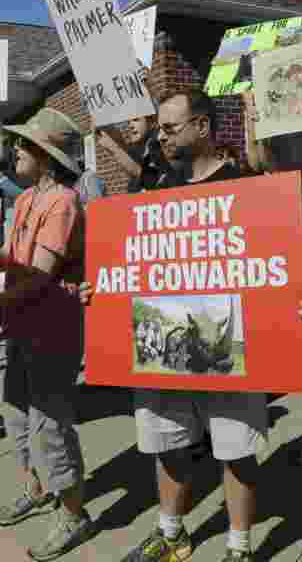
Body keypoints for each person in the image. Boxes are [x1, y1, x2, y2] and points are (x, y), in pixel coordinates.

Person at [80, 89, 262, 562]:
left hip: (227, 339)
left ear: (202, 127)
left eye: (170, 127)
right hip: (164, 338)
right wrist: (101, 291)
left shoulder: (242, 184)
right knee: (169, 442)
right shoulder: (157, 190)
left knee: (235, 448)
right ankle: (172, 532)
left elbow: (267, 264)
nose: (161, 136)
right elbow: (132, 263)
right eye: (159, 128)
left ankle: (239, 546)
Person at [0, 107, 92, 561]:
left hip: (52, 322)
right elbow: (9, 259)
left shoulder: (62, 202)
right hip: (20, 321)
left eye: (24, 144)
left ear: (46, 157)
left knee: (50, 422)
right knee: (16, 410)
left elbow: (40, 276)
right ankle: (37, 489)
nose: (15, 149)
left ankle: (73, 514)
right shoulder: (28, 199)